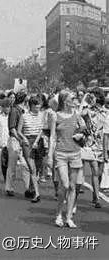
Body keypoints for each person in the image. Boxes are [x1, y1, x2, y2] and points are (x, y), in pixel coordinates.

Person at [48, 90, 87, 228]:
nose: (75, 100)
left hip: (75, 153)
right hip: (61, 154)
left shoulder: (77, 114)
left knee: (72, 186)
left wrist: (81, 134)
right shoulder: (55, 116)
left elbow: (84, 129)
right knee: (64, 185)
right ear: (65, 101)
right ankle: (58, 213)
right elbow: (52, 136)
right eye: (73, 98)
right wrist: (49, 155)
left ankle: (69, 217)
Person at [5, 92, 30, 197]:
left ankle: (29, 188)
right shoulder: (15, 110)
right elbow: (12, 128)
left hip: (22, 139)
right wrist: (20, 138)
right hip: (15, 140)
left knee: (25, 165)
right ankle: (9, 187)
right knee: (12, 165)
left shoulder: (23, 110)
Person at [19, 97, 43, 203]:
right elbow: (19, 130)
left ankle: (31, 188)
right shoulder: (24, 116)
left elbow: (42, 130)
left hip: (38, 141)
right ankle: (37, 194)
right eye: (36, 105)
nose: (38, 107)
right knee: (32, 168)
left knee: (37, 169)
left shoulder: (42, 115)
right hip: (27, 142)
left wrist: (37, 141)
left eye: (39, 105)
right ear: (31, 106)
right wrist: (24, 138)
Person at [0, 99, 11, 179]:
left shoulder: (13, 117)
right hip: (2, 143)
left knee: (11, 164)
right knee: (3, 163)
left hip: (11, 143)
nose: (7, 109)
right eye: (5, 107)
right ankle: (6, 178)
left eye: (8, 107)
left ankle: (9, 182)